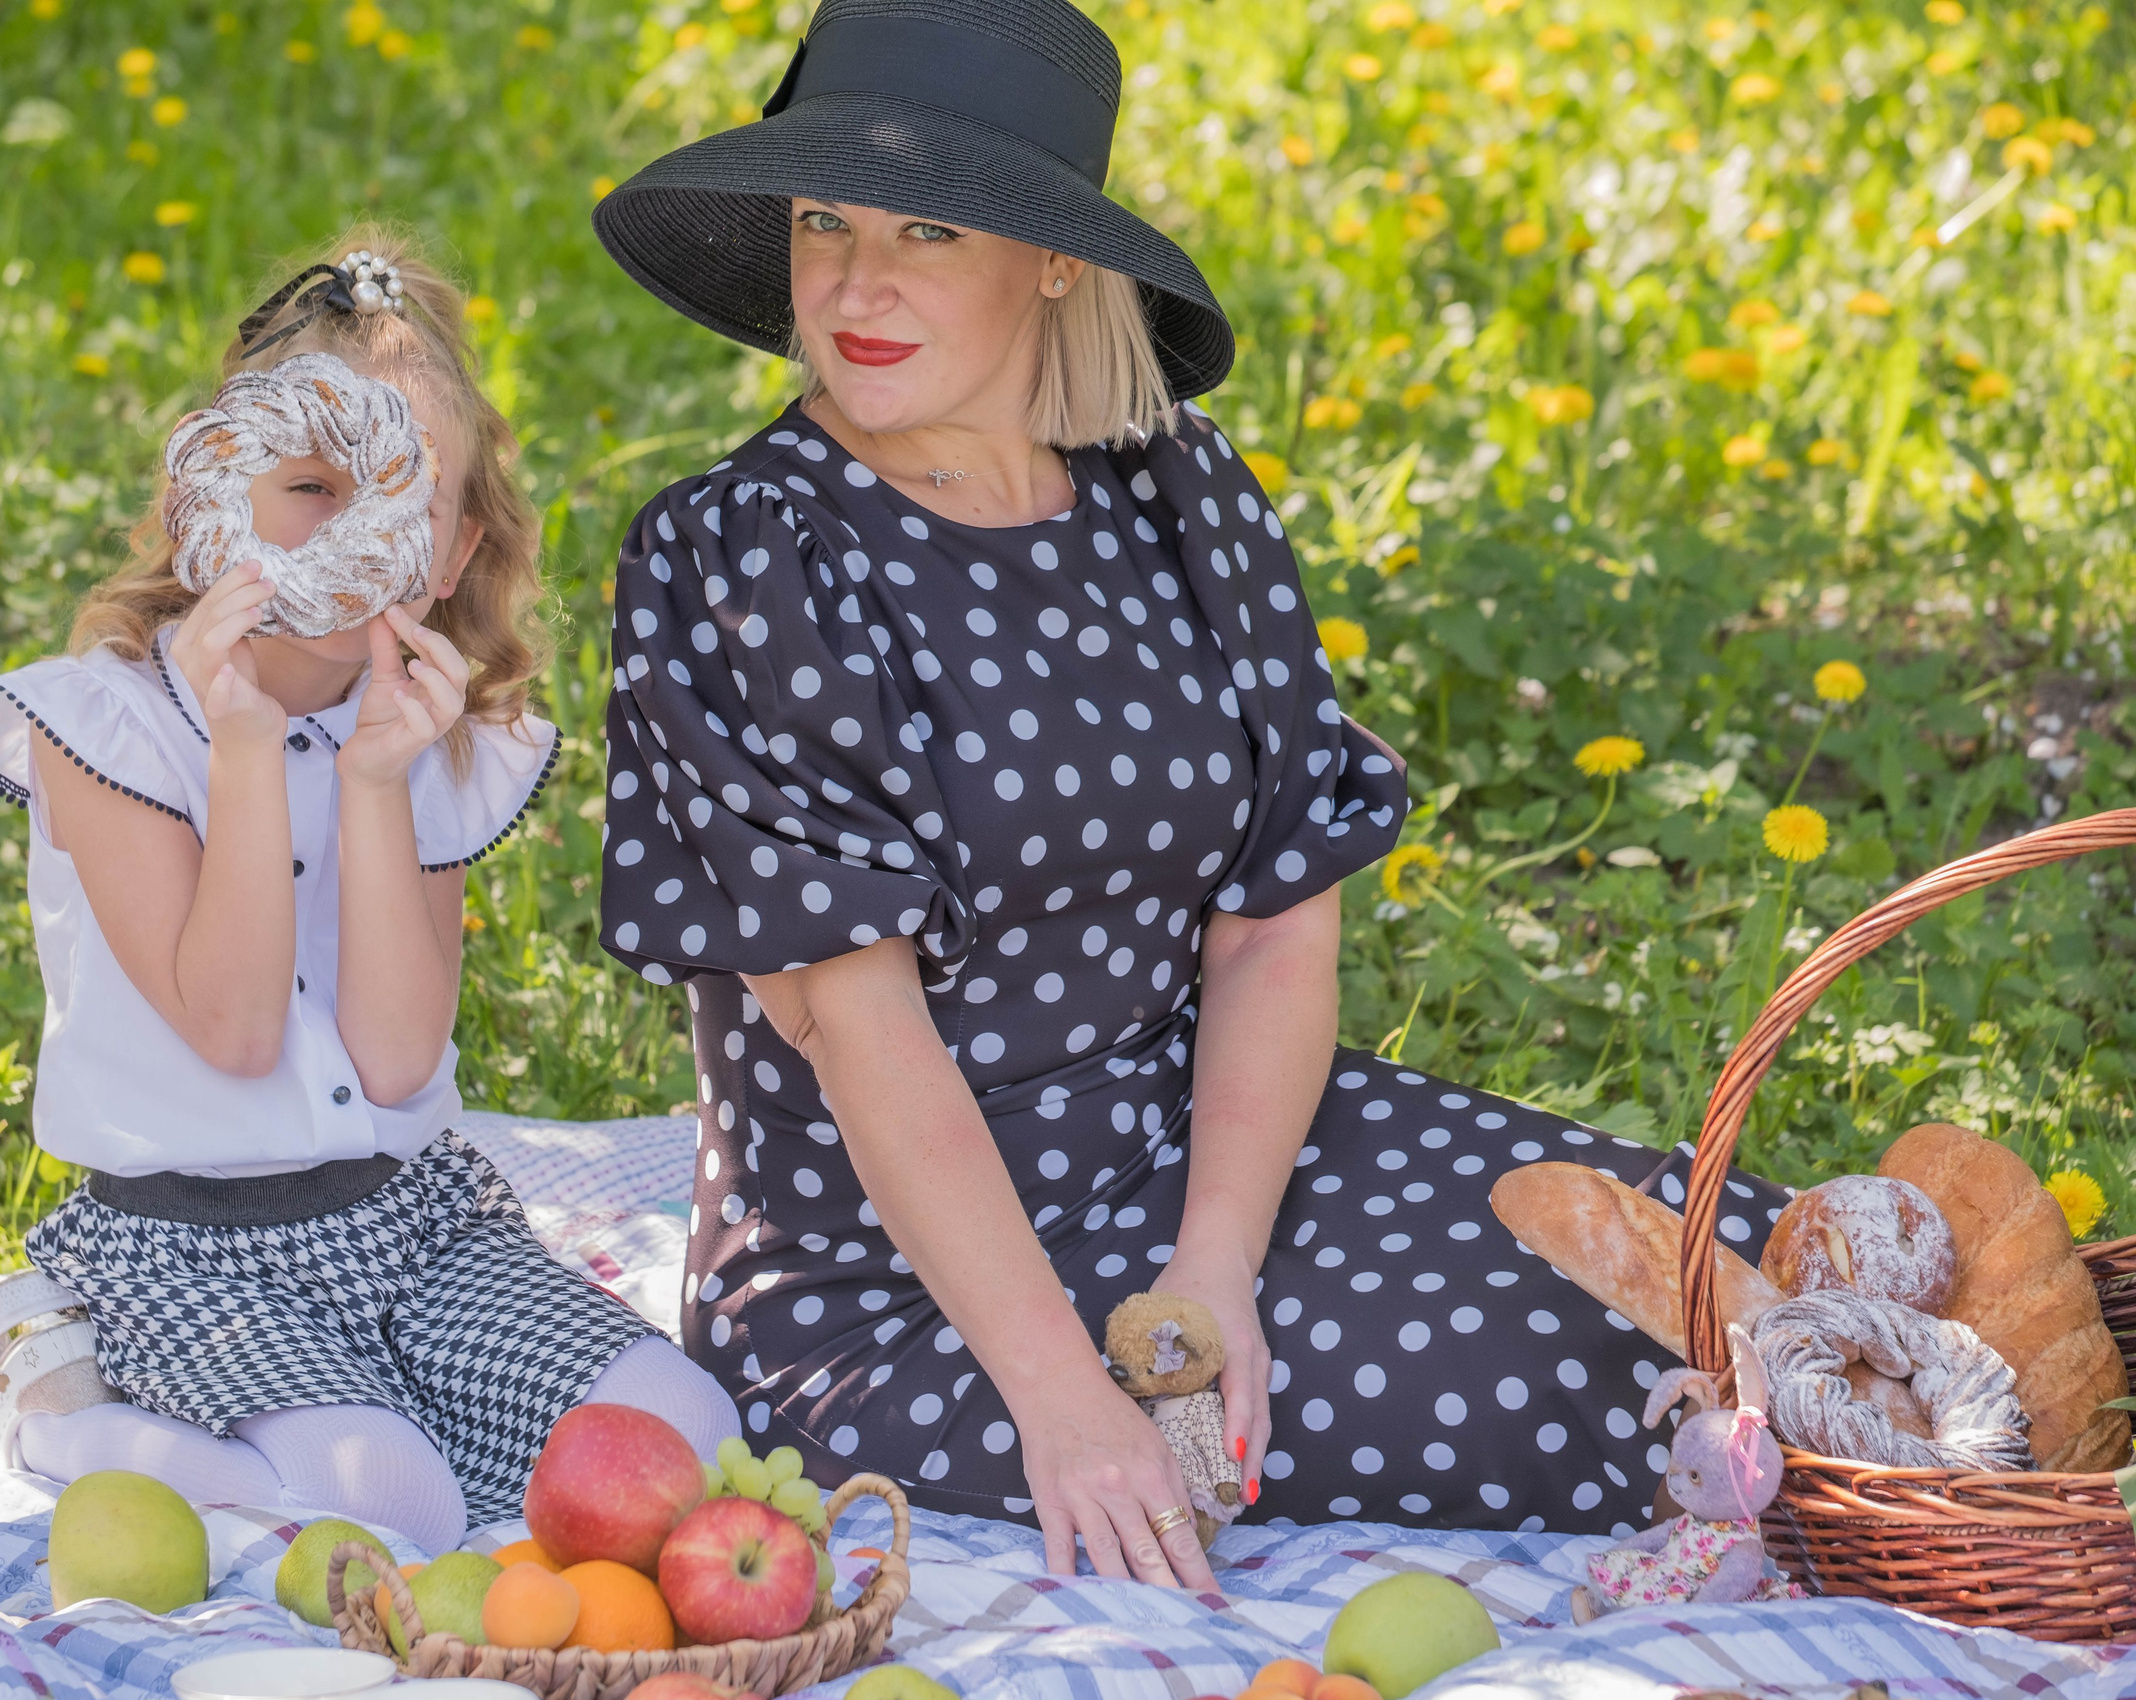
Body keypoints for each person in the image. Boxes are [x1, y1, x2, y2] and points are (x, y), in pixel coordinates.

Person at [588, 0, 1791, 1587]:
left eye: (926, 231)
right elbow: (857, 1030)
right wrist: (1067, 1402)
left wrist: (1219, 1253)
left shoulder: (1177, 492)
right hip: (911, 1285)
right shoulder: (745, 553)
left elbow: (1276, 926)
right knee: (1629, 1399)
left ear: (1053, 259)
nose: (855, 285)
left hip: (1215, 1147)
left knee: (1766, 1278)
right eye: (824, 222)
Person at [0, 225, 736, 1552]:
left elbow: (391, 1061)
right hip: (189, 1251)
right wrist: (251, 748)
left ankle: (381, 1401)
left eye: (400, 499)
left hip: (409, 1228)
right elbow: (236, 1029)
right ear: (215, 493)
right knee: (384, 1501)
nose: (352, 529)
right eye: (312, 486)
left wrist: (377, 784)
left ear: (450, 552)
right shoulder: (102, 725)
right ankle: (42, 1401)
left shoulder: (430, 745)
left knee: (688, 1442)